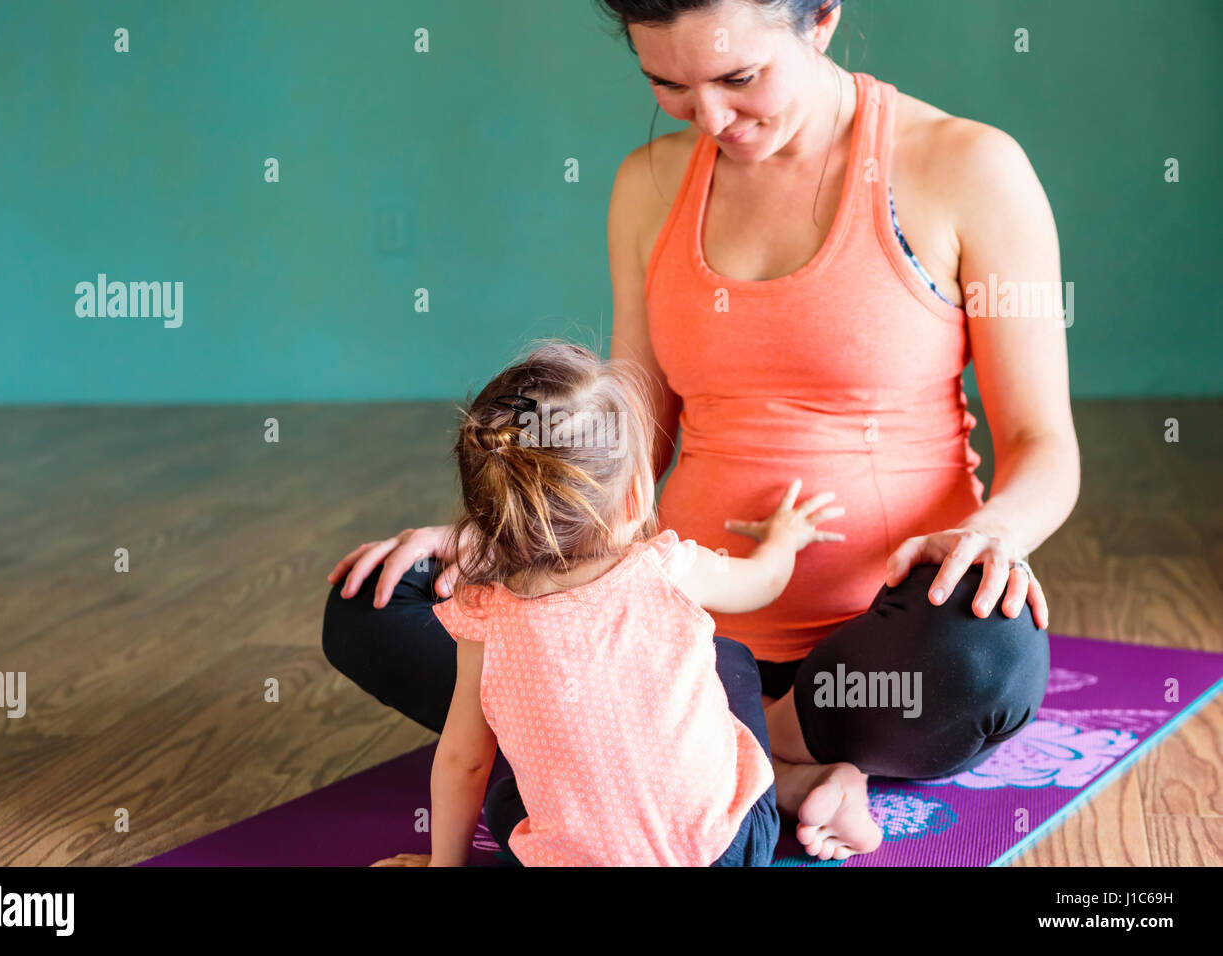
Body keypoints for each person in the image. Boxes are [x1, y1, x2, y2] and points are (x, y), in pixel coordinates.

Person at [327, 0, 1077, 861]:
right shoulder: (646, 185)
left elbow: (1042, 444)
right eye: (669, 86)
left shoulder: (970, 168)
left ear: (823, 17)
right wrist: (503, 539)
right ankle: (766, 772)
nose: (711, 119)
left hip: (868, 655)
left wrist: (991, 537)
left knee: (988, 659)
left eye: (740, 78)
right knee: (375, 600)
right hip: (657, 639)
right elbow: (629, 435)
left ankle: (718, 747)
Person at [373, 342, 851, 866]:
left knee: (506, 797)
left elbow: (464, 762)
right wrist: (783, 537)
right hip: (727, 851)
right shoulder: (668, 569)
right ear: (634, 501)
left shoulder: (484, 618)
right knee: (731, 657)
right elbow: (765, 582)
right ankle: (795, 782)